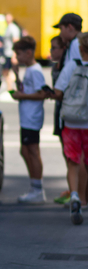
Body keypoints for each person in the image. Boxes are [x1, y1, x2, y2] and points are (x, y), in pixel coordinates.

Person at [52, 32, 88, 225]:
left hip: (72, 121)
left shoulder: (71, 66)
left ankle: (74, 195)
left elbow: (58, 92)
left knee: (74, 161)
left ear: (80, 49)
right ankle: (84, 198)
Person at [10, 36, 48, 204]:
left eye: (18, 54)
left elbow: (42, 94)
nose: (17, 57)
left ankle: (37, 190)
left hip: (32, 118)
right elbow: (27, 90)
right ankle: (35, 187)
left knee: (32, 151)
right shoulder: (29, 70)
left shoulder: (35, 71)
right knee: (25, 151)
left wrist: (21, 95)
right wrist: (17, 77)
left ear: (28, 52)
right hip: (27, 118)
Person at [49, 36, 72, 205]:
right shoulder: (54, 66)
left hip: (69, 112)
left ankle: (76, 190)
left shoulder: (68, 66)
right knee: (67, 153)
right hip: (59, 112)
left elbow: (62, 91)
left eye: (54, 48)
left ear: (63, 49)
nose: (51, 52)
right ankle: (73, 188)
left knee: (73, 156)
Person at [2, 13, 21, 90]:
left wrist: (14, 55)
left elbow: (15, 41)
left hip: (11, 54)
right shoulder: (8, 27)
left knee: (11, 72)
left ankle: (12, 88)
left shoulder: (13, 28)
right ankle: (9, 88)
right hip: (7, 53)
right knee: (7, 72)